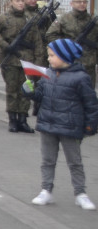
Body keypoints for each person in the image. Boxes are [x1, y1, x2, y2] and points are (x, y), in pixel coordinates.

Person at [23, 39, 98, 211]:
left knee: (74, 162)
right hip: (47, 124)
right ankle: (46, 190)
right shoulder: (48, 73)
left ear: (65, 57)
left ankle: (80, 194)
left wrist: (90, 126)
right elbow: (40, 95)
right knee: (47, 160)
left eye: (51, 55)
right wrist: (30, 92)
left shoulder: (81, 77)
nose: (48, 59)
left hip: (70, 128)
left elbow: (91, 104)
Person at [0, 0, 43, 134]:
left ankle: (23, 120)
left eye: (22, 1)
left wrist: (38, 61)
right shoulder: (3, 18)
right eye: (17, 1)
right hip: (10, 60)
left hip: (27, 60)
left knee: (26, 90)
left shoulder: (30, 18)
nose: (21, 3)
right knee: (12, 90)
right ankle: (12, 119)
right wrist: (6, 45)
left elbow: (37, 41)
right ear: (11, 1)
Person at [47, 0, 98, 89]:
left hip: (89, 65)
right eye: (78, 1)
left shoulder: (92, 21)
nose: (82, 4)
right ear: (71, 3)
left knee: (88, 93)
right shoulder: (64, 19)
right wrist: (66, 46)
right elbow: (50, 35)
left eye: (84, 1)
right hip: (70, 64)